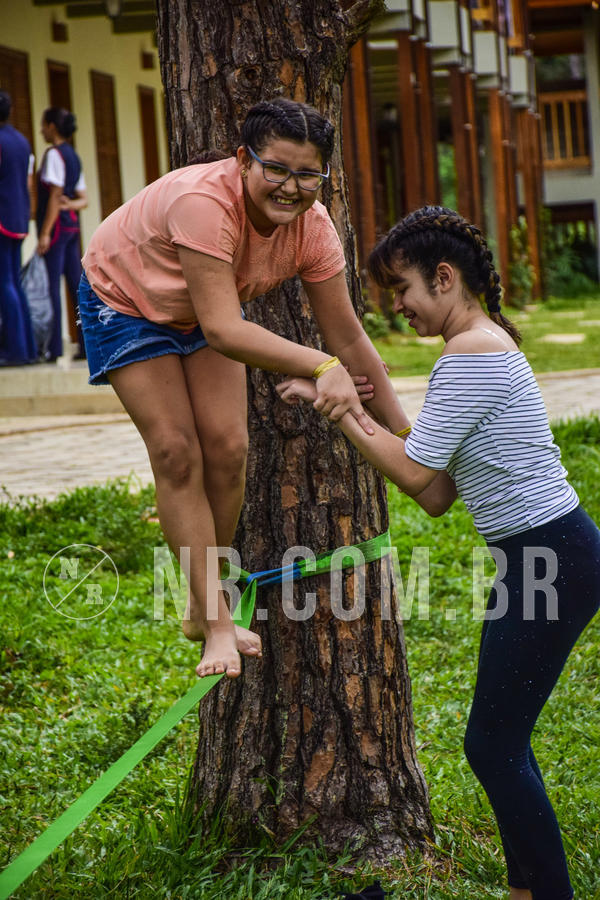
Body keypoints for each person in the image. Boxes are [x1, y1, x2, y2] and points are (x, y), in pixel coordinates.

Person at [277, 206, 600, 900]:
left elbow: (414, 475)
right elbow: (438, 493)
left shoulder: (471, 352)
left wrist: (340, 407)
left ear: (444, 277)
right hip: (545, 556)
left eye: (403, 289)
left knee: (493, 745)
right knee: (501, 742)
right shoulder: (482, 345)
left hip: (550, 557)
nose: (397, 306)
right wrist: (365, 411)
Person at [78, 98, 410, 680]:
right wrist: (321, 365)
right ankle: (215, 623)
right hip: (126, 302)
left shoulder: (314, 230)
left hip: (204, 310)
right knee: (176, 452)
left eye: (307, 174)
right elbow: (225, 331)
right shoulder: (204, 205)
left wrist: (406, 433)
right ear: (244, 160)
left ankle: (201, 601)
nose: (290, 187)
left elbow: (348, 335)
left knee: (229, 450)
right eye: (275, 169)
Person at [37, 107, 87, 360]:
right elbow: (84, 200)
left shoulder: (54, 155)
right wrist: (70, 205)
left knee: (52, 287)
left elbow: (55, 195)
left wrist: (45, 233)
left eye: (44, 125)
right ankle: (86, 345)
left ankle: (54, 347)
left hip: (56, 228)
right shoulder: (74, 156)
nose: (41, 130)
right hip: (72, 226)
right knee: (77, 286)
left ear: (52, 127)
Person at [0, 90, 37, 365]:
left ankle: (15, 351)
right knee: (15, 282)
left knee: (5, 284)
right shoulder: (22, 141)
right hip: (19, 218)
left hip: (2, 218)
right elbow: (27, 182)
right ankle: (28, 349)